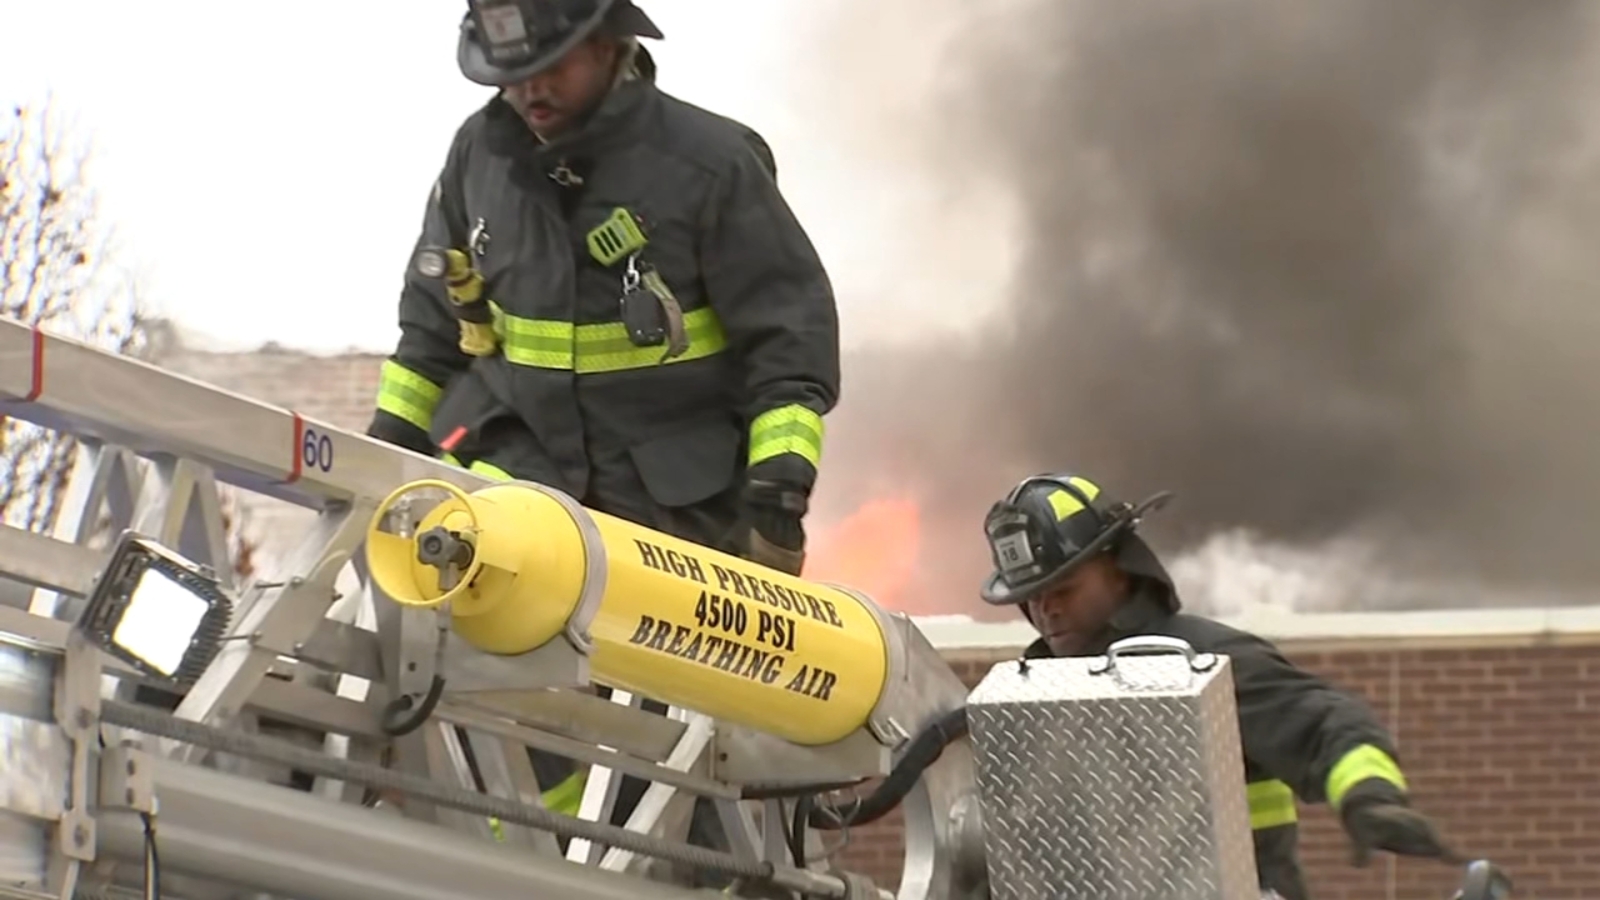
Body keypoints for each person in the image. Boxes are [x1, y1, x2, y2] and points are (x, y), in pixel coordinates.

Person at [364, 0, 839, 870]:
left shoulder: (710, 166)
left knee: (681, 758)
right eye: (512, 70)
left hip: (674, 516)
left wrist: (778, 498)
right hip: (519, 496)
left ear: (614, 46)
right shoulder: (480, 158)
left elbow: (789, 344)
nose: (529, 89)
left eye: (553, 64)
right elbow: (432, 331)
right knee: (499, 719)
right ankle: (527, 875)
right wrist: (380, 460)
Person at [978, 472, 1455, 900]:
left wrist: (1368, 795)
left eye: (1064, 589)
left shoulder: (1204, 661)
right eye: (1033, 598)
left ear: (1119, 569)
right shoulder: (1031, 698)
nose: (1047, 612)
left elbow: (1323, 720)